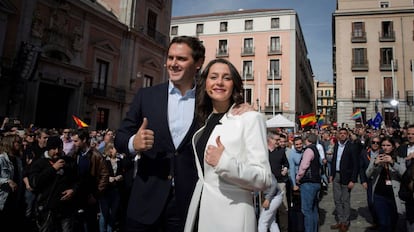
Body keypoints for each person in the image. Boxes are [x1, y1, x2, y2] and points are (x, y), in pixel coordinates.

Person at [114, 35, 206, 232]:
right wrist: (133, 143)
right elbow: (120, 137)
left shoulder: (208, 101)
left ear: (198, 63)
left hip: (189, 205)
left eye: (181, 59)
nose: (173, 64)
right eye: (170, 58)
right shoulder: (146, 96)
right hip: (145, 202)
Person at [184, 58, 272, 232]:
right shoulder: (203, 119)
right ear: (205, 82)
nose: (219, 82)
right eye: (213, 77)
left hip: (232, 218)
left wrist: (224, 163)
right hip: (199, 213)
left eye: (226, 78)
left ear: (234, 84)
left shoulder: (250, 118)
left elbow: (264, 178)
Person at [29, 136, 78, 232]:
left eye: (59, 148)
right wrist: (53, 169)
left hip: (66, 209)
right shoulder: (39, 162)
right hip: (47, 209)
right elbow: (35, 183)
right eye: (53, 148)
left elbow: (77, 180)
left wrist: (73, 190)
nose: (57, 151)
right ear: (48, 148)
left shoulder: (69, 162)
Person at [366, 136, 406, 232]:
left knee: (393, 222)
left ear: (393, 147)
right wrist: (375, 164)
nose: (385, 147)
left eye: (388, 145)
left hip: (394, 196)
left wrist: (392, 163)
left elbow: (404, 174)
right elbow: (368, 174)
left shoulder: (399, 159)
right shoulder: (376, 157)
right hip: (379, 195)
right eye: (383, 145)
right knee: (383, 223)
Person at [72, 128, 109, 232]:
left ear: (84, 140)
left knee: (89, 224)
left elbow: (104, 175)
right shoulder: (76, 153)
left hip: (90, 196)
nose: (74, 144)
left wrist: (96, 194)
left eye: (76, 141)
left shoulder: (96, 155)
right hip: (77, 194)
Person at [329, 128, 359, 232]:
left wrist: (353, 180)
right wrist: (331, 174)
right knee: (337, 199)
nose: (342, 135)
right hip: (336, 175)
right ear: (337, 135)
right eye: (340, 133)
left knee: (345, 200)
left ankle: (345, 222)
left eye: (344, 134)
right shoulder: (336, 145)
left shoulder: (352, 146)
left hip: (346, 177)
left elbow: (356, 165)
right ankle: (340, 221)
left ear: (347, 135)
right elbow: (334, 160)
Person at [296, 133, 321, 232]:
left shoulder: (309, 150)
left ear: (307, 140)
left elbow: (304, 166)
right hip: (316, 182)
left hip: (308, 183)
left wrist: (298, 177)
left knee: (306, 210)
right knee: (313, 209)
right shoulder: (316, 149)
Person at [99, 142, 126, 232]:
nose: (116, 150)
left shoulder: (119, 160)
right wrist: (108, 178)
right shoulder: (104, 160)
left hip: (116, 190)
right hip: (106, 191)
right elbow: (100, 174)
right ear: (110, 150)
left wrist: (120, 177)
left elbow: (122, 173)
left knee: (113, 214)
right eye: (114, 148)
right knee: (104, 214)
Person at [0, 134, 24, 231]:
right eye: (17, 142)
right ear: (10, 143)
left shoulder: (18, 160)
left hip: (14, 198)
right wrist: (7, 180)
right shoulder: (1, 159)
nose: (20, 144)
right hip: (3, 198)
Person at [359, 136, 381, 229]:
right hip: (369, 180)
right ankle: (376, 220)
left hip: (380, 181)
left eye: (377, 143)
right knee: (370, 202)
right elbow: (361, 168)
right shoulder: (364, 153)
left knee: (379, 201)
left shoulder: (383, 153)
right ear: (370, 143)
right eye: (373, 142)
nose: (375, 144)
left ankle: (380, 221)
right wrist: (363, 181)